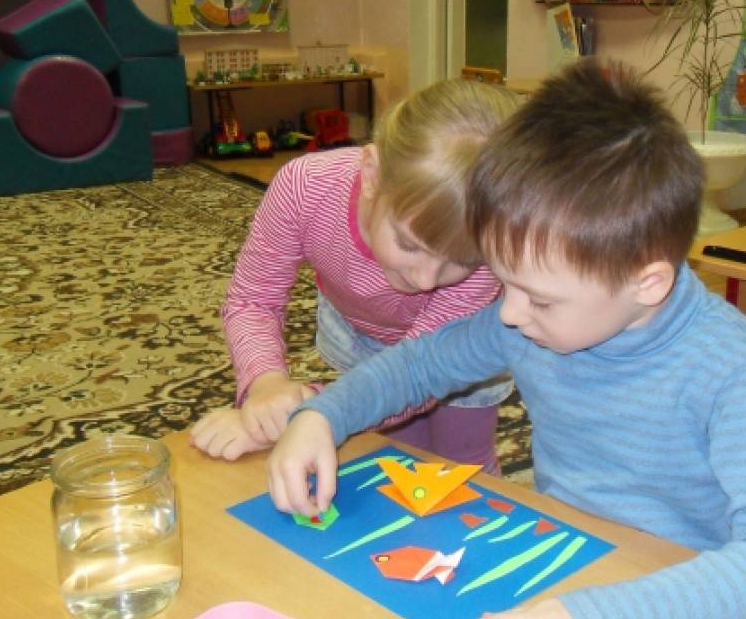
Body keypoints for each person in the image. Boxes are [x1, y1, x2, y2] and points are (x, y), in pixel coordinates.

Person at [266, 60, 746, 619]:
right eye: (502, 282)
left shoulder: (727, 365)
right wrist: (323, 416)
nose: (508, 314)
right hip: (567, 567)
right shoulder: (537, 316)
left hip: (680, 613)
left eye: (539, 298)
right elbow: (419, 366)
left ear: (647, 283)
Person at [191, 77, 520, 472]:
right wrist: (265, 384)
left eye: (462, 261)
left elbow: (417, 373)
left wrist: (301, 416)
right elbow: (253, 300)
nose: (426, 281)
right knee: (396, 459)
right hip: (358, 331)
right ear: (371, 175)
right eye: (409, 244)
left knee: (463, 463)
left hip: (453, 346)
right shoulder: (305, 188)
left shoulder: (486, 254)